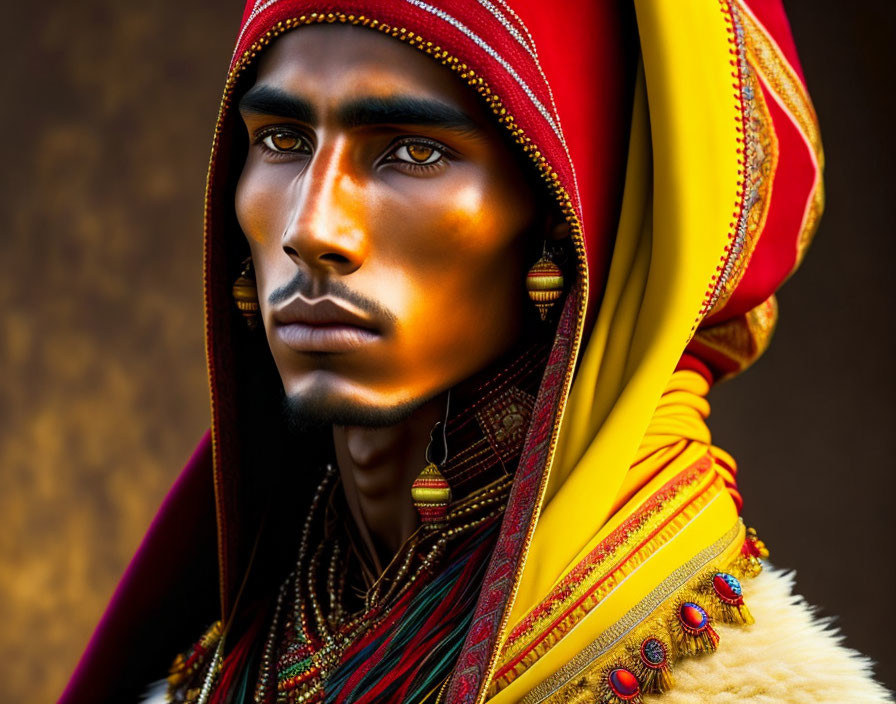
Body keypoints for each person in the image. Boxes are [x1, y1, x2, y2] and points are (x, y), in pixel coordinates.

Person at [61, 1, 892, 703]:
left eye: (413, 152)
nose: (311, 228)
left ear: (568, 216)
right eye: (281, 140)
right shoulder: (226, 662)